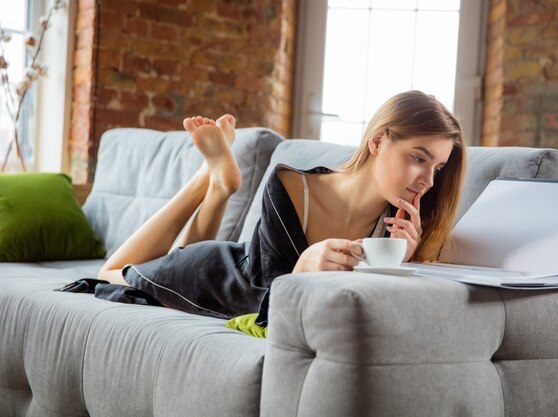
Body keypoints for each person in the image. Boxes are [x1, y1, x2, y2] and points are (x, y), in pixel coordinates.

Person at [95, 90, 466, 325]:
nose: (428, 181)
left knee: (179, 251)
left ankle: (220, 184)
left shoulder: (400, 229)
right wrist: (303, 267)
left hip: (227, 272)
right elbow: (269, 298)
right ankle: (204, 182)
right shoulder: (292, 184)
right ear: (378, 141)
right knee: (108, 273)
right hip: (218, 275)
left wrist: (404, 264)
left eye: (437, 167)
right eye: (418, 158)